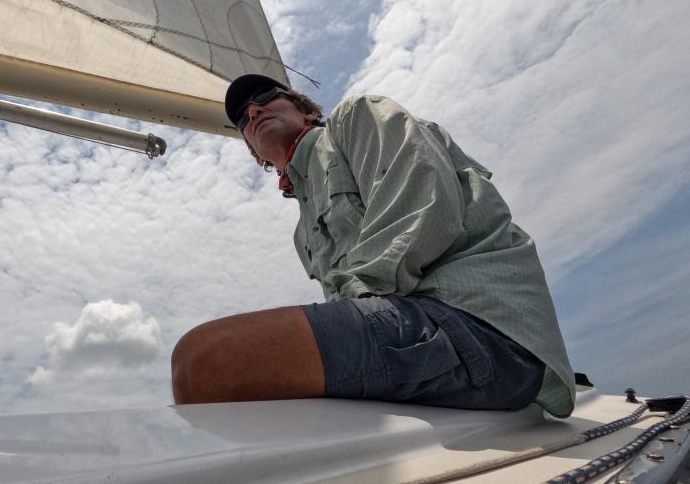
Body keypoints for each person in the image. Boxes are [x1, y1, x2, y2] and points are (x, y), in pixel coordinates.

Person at [171, 74, 577, 417]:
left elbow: (424, 209)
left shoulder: (355, 119)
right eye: (244, 117)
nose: (254, 111)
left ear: (307, 110)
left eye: (263, 99)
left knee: (205, 363)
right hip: (421, 336)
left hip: (479, 329)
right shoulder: (302, 234)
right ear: (254, 153)